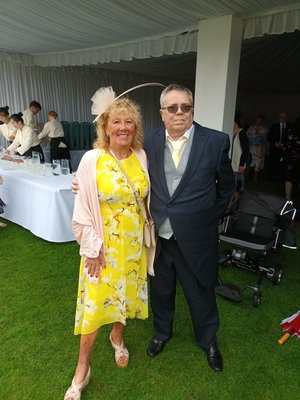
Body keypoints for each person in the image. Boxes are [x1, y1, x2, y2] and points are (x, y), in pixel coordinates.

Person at [64, 97, 154, 400]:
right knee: (94, 308)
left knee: (123, 298)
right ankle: (82, 368)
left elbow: (145, 198)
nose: (123, 127)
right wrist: (90, 248)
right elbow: (82, 209)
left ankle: (118, 337)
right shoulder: (92, 159)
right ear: (105, 126)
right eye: (116, 121)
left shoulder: (141, 156)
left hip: (132, 247)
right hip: (102, 249)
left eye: (129, 121)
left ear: (136, 127)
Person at [144, 84, 234, 372]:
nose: (179, 113)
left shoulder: (216, 141)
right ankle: (161, 333)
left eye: (185, 107)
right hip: (159, 235)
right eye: (172, 108)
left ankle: (208, 339)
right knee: (161, 289)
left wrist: (207, 217)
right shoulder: (149, 142)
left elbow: (227, 187)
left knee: (200, 291)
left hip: (196, 237)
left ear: (192, 110)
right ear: (162, 113)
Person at [267, 111, 293, 182]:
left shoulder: (290, 126)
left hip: (285, 149)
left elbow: (292, 137)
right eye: (281, 117)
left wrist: (285, 144)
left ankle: (280, 179)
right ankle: (271, 178)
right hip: (275, 148)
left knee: (282, 164)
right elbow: (269, 137)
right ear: (279, 118)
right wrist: (275, 143)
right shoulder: (274, 126)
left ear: (286, 118)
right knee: (273, 163)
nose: (283, 118)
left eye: (284, 117)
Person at [246, 114, 267, 183]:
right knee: (250, 161)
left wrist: (258, 135)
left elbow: (264, 139)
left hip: (259, 149)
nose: (258, 121)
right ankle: (247, 176)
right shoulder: (251, 127)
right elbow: (247, 135)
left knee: (257, 163)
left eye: (259, 120)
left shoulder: (264, 129)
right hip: (251, 148)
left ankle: (255, 178)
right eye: (257, 120)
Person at [282, 117, 300, 200]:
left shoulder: (290, 132)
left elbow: (285, 145)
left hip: (290, 158)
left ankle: (287, 197)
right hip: (295, 159)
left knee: (289, 178)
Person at [231, 119, 251, 192]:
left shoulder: (242, 133)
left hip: (239, 164)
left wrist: (242, 164)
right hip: (232, 164)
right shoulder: (233, 133)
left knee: (238, 185)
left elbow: (246, 150)